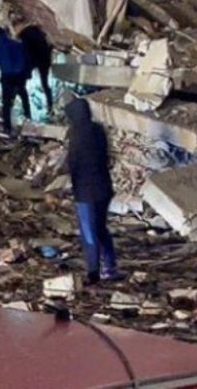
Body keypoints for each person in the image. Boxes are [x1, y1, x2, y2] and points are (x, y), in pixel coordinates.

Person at [65, 97, 120, 285]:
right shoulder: (97, 130)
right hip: (104, 187)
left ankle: (93, 272)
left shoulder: (75, 134)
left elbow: (74, 164)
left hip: (85, 191)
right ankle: (110, 267)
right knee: (101, 228)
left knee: (89, 232)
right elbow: (105, 157)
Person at [0, 26, 30, 135]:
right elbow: (26, 59)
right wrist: (27, 73)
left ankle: (7, 128)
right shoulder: (17, 44)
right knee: (24, 96)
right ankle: (29, 119)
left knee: (6, 103)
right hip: (19, 76)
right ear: (5, 34)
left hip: (7, 78)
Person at [17, 22, 54, 114]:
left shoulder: (25, 37)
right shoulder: (41, 34)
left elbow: (26, 53)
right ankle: (50, 107)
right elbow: (50, 47)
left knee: (21, 84)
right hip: (45, 61)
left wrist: (27, 69)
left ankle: (26, 111)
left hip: (34, 61)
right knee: (45, 84)